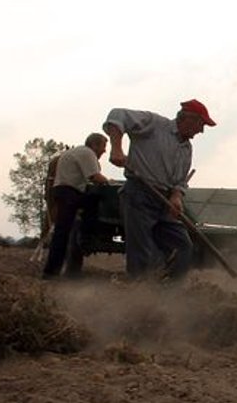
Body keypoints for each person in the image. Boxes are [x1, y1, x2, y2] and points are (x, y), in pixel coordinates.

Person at [102, 99, 216, 281]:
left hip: (163, 202)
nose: (201, 131)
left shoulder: (187, 148)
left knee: (184, 246)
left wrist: (177, 196)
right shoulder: (155, 124)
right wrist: (116, 148)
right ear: (188, 118)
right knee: (143, 253)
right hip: (139, 194)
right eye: (201, 125)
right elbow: (117, 115)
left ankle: (169, 292)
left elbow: (179, 182)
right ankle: (142, 294)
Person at [41, 133, 109, 279]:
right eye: (104, 146)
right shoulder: (87, 153)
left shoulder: (75, 152)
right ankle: (87, 234)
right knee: (63, 232)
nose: (105, 151)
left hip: (63, 191)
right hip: (69, 193)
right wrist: (109, 182)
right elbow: (95, 177)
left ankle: (53, 270)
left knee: (63, 231)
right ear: (95, 145)